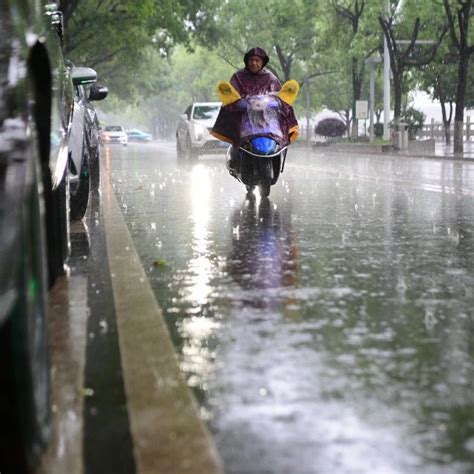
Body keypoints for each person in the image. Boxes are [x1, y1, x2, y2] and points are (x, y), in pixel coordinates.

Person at [226, 47, 282, 174]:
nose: (254, 63)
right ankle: (234, 161)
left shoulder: (271, 78)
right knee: (237, 136)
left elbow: (279, 97)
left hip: (267, 119)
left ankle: (277, 160)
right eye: (251, 60)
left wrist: (274, 102)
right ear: (247, 61)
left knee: (279, 137)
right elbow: (231, 97)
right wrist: (242, 103)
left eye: (257, 60)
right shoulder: (238, 77)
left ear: (262, 62)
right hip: (244, 117)